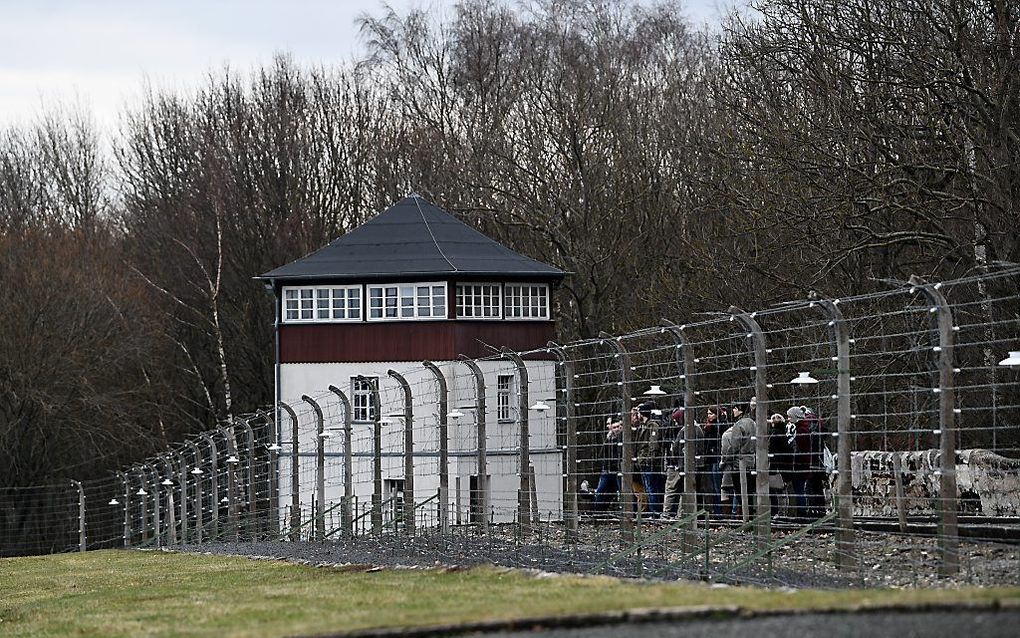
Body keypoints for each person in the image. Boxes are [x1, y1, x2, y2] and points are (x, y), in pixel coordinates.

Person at [661, 405, 705, 518]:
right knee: (687, 490)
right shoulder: (698, 429)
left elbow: (675, 449)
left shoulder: (685, 430)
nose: (675, 423)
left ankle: (667, 513)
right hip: (695, 465)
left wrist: (676, 461)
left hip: (681, 465)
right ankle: (682, 514)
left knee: (672, 489)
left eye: (676, 420)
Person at [720, 402, 756, 517]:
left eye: (735, 408)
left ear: (740, 410)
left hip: (739, 462)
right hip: (752, 460)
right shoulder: (753, 423)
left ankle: (745, 517)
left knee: (740, 493)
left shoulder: (739, 425)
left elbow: (734, 445)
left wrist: (725, 459)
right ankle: (749, 515)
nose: (733, 411)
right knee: (749, 492)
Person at [633, 401, 664, 516]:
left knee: (652, 489)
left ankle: (655, 512)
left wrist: (647, 459)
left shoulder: (652, 426)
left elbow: (653, 445)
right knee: (649, 488)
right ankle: (653, 512)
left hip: (649, 463)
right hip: (644, 462)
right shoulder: (644, 426)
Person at [593, 419, 622, 512]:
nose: (616, 429)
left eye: (618, 427)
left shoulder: (623, 439)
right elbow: (602, 454)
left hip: (618, 470)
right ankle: (598, 512)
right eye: (614, 427)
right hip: (607, 470)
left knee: (621, 492)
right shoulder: (608, 439)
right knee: (600, 491)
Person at [768, 413, 794, 517]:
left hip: (776, 466)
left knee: (778, 490)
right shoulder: (785, 434)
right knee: (783, 490)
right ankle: (784, 512)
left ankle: (779, 513)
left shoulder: (774, 435)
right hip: (784, 466)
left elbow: (773, 452)